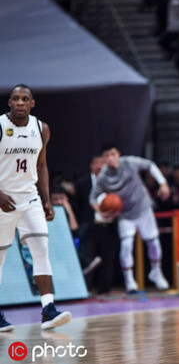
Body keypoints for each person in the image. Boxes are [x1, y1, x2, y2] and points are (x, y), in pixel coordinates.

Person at [0, 85, 71, 331]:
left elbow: (41, 165)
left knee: (41, 248)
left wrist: (46, 199)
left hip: (29, 198)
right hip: (3, 199)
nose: (20, 102)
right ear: (9, 102)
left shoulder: (42, 129)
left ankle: (48, 309)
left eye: (25, 99)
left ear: (32, 103)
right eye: (16, 99)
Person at [90, 143, 171, 293]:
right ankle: (129, 281)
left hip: (143, 208)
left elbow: (150, 165)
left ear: (118, 154)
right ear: (104, 159)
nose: (110, 158)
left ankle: (156, 271)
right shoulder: (103, 177)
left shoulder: (130, 162)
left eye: (113, 154)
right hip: (125, 214)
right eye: (107, 156)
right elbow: (92, 198)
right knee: (127, 245)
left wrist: (163, 183)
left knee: (153, 241)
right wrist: (101, 212)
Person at [73, 155, 118, 294]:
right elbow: (77, 206)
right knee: (88, 259)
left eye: (102, 163)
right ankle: (85, 289)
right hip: (90, 226)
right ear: (91, 166)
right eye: (96, 163)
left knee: (108, 259)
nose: (99, 166)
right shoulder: (82, 183)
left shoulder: (113, 182)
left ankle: (105, 289)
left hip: (107, 226)